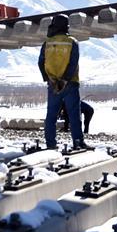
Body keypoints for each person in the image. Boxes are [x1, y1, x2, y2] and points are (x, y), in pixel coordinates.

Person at [38, 14, 90, 150]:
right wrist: (64, 80)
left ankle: (50, 144)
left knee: (51, 116)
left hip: (53, 85)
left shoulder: (47, 43)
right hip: (70, 84)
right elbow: (73, 63)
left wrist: (49, 79)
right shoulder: (72, 42)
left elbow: (40, 63)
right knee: (74, 115)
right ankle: (78, 142)